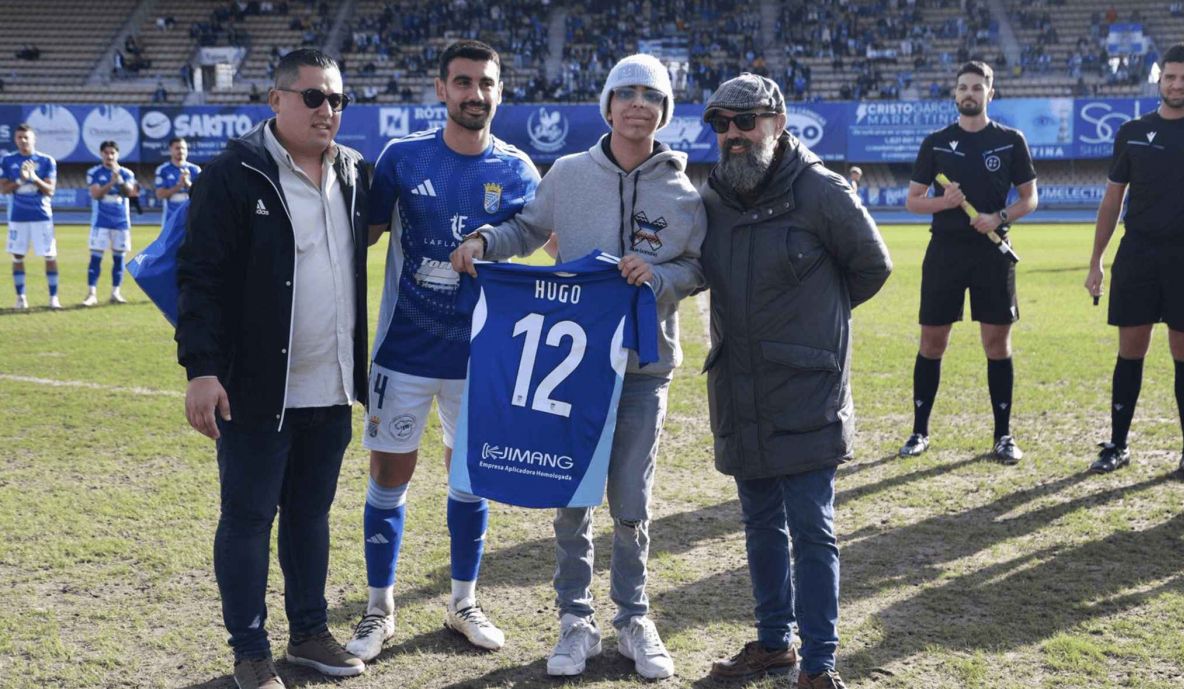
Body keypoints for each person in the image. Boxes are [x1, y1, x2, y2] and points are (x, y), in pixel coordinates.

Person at [450, 53, 706, 681]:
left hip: (643, 371)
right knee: (572, 497)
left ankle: (633, 618)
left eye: (652, 95)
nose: (639, 103)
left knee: (631, 501)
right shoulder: (567, 173)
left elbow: (699, 267)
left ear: (664, 110)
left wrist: (660, 275)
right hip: (574, 370)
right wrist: (484, 241)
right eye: (627, 92)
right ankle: (575, 620)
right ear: (608, 105)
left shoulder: (683, 192)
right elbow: (527, 228)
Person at [175, 48, 369, 689]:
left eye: (337, 99)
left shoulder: (353, 171)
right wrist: (202, 369)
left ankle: (309, 633)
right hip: (257, 388)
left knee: (311, 517)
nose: (327, 109)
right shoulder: (234, 173)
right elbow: (199, 278)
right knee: (249, 519)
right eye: (313, 96)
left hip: (332, 384)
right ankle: (250, 651)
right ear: (276, 99)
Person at [344, 40, 540, 663]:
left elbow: (547, 242)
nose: (474, 94)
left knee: (469, 478)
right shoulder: (403, 158)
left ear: (499, 91)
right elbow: (358, 236)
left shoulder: (518, 170)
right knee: (388, 478)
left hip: (477, 358)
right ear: (440, 89)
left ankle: (463, 602)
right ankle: (379, 610)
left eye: (485, 83)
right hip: (403, 351)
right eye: (462, 82)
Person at [699, 73, 891, 689]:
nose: (733, 134)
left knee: (813, 531)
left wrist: (813, 326)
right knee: (759, 524)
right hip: (740, 389)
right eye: (721, 124)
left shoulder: (821, 191)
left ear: (778, 123)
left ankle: (819, 663)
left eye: (746, 120)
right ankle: (774, 642)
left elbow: (872, 267)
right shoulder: (712, 198)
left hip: (807, 391)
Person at [899, 61, 1038, 463]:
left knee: (997, 344)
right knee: (932, 342)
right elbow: (913, 201)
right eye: (963, 87)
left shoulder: (1010, 140)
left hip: (993, 253)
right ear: (955, 93)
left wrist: (999, 217)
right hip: (945, 252)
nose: (969, 94)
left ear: (990, 93)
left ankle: (1003, 436)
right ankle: (919, 432)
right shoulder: (936, 143)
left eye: (977, 87)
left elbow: (1029, 198)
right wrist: (945, 202)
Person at [1084, 42, 1184, 480]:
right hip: (1138, 255)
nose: (1177, 84)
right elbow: (1112, 200)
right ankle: (1117, 445)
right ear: (1159, 79)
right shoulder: (1132, 131)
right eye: (1171, 76)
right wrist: (1096, 260)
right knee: (1130, 351)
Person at [0, 124, 59, 309]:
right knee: (17, 256)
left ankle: (53, 298)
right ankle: (21, 298)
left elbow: (50, 190)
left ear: (34, 139)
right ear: (15, 140)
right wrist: (20, 179)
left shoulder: (47, 161)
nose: (23, 140)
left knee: (50, 256)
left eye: (26, 137)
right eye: (20, 137)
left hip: (42, 216)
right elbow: (3, 189)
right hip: (18, 216)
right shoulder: (7, 160)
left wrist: (34, 177)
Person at [83, 140, 139, 306]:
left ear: (117, 154)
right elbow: (96, 194)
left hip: (121, 223)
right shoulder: (94, 172)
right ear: (101, 154)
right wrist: (111, 182)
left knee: (119, 259)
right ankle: (91, 294)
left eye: (112, 153)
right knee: (95, 258)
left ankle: (116, 293)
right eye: (106, 153)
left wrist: (120, 180)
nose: (109, 156)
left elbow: (130, 193)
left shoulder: (127, 173)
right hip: (100, 222)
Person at [154, 137, 201, 228]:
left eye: (184, 148)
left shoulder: (195, 170)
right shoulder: (163, 170)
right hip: (171, 220)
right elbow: (160, 195)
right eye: (177, 148)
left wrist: (187, 183)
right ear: (170, 150)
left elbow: (201, 194)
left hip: (191, 219)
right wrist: (179, 186)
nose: (181, 151)